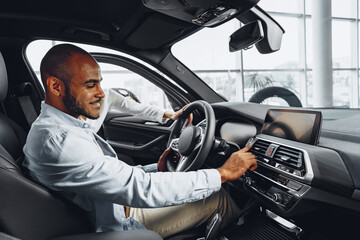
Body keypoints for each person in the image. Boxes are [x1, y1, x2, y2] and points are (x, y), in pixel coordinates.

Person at [23, 44, 257, 238]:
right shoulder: (60, 140)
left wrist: (156, 168)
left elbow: (108, 176)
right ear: (55, 86)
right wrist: (223, 174)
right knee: (218, 198)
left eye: (99, 82)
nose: (101, 93)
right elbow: (140, 188)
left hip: (113, 205)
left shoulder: (60, 126)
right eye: (90, 84)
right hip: (117, 223)